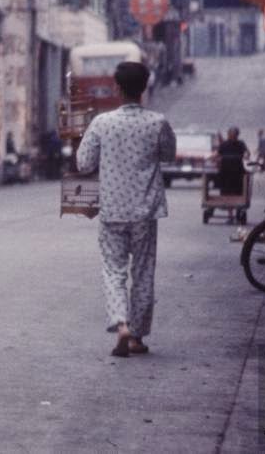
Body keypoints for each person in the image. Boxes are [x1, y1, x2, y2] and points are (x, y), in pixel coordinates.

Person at [76, 62, 176, 358]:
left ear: (117, 88)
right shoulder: (157, 122)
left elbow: (84, 163)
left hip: (111, 210)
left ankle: (120, 324)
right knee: (143, 273)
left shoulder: (102, 123)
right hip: (145, 211)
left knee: (113, 271)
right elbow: (168, 156)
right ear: (144, 88)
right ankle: (137, 337)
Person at [216, 127, 250, 195]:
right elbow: (217, 154)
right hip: (226, 170)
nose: (232, 136)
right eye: (231, 135)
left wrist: (246, 155)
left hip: (237, 169)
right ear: (228, 135)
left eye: (234, 135)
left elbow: (247, 152)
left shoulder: (241, 144)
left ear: (237, 135)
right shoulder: (223, 144)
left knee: (245, 176)